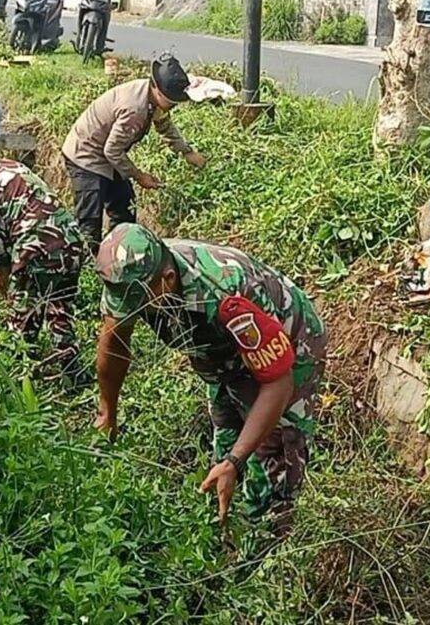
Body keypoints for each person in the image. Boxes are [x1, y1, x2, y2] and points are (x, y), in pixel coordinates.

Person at [92, 223, 326, 532]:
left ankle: (263, 550)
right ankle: (225, 522)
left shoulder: (225, 293)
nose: (132, 312)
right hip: (223, 357)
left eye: (138, 304)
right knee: (225, 440)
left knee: (272, 456)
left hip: (291, 346)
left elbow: (277, 383)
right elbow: (114, 342)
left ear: (168, 280)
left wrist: (237, 460)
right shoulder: (132, 277)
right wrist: (108, 411)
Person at [0, 132, 86, 383]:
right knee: (60, 309)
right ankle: (74, 377)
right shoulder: (11, 166)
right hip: (70, 242)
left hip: (36, 248)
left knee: (22, 319)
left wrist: (1, 271)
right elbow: (19, 212)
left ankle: (19, 382)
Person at [62, 53, 207, 252]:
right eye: (171, 102)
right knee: (89, 225)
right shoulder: (135, 109)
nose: (172, 107)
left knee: (124, 210)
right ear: (157, 90)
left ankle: (117, 257)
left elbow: (164, 125)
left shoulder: (151, 97)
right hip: (85, 156)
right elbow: (112, 151)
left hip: (107, 157)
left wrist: (186, 151)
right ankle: (87, 267)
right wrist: (139, 176)